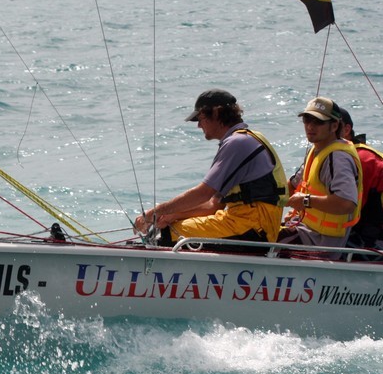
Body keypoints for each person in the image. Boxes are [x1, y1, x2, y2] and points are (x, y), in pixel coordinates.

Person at [133, 89, 288, 248]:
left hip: (255, 228)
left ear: (216, 113)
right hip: (247, 223)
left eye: (200, 118)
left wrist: (154, 213)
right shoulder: (242, 139)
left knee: (169, 234)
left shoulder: (238, 143)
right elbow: (213, 205)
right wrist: (173, 215)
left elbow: (204, 193)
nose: (199, 125)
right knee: (173, 225)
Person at [279, 96, 363, 259]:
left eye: (318, 122)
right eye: (306, 120)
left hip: (321, 243)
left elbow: (347, 203)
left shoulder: (337, 158)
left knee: (260, 241)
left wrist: (305, 201)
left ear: (334, 126)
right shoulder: (317, 150)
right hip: (305, 230)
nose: (310, 126)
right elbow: (291, 186)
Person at [337, 107, 383, 255]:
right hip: (353, 235)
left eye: (332, 126)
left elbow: (345, 207)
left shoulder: (364, 159)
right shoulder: (339, 156)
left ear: (346, 130)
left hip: (372, 243)